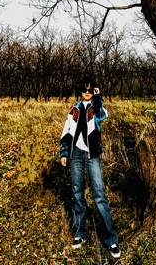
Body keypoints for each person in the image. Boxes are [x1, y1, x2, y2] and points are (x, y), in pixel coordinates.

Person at [59, 77, 121, 259]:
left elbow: (103, 115)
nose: (87, 93)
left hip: (91, 155)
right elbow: (67, 131)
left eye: (90, 90)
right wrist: (64, 152)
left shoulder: (97, 108)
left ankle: (111, 239)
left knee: (99, 194)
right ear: (80, 91)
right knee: (77, 193)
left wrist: (98, 97)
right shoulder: (74, 109)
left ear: (93, 91)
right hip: (76, 155)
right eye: (84, 90)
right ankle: (80, 233)